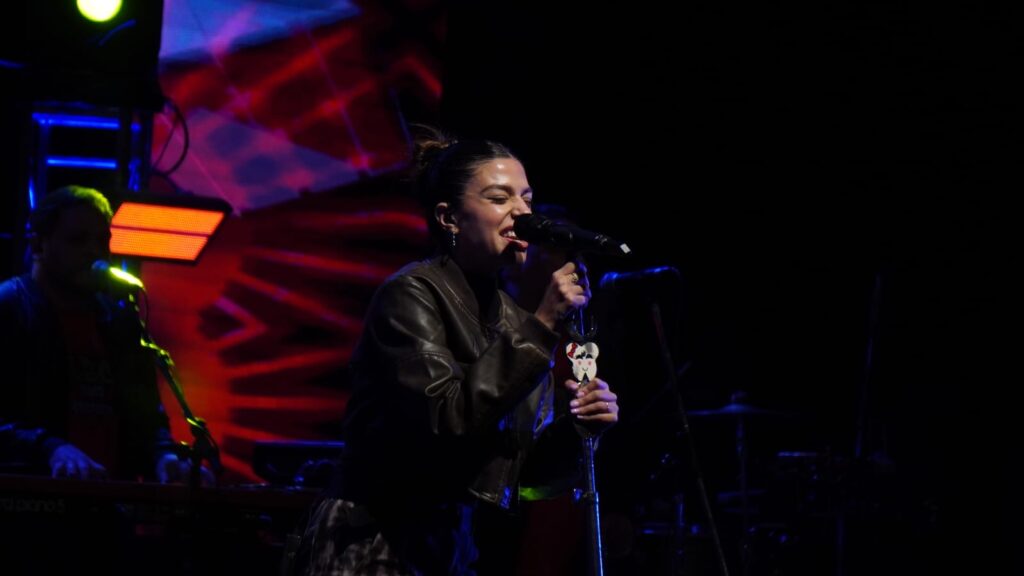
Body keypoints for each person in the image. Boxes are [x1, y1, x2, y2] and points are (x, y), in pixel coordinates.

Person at [294, 129, 619, 575]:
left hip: (449, 545)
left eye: (527, 199)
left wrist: (580, 429)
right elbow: (446, 418)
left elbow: (522, 475)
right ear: (449, 218)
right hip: (374, 537)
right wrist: (542, 326)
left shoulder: (513, 319)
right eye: (500, 198)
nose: (522, 213)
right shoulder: (411, 294)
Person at [0, 185, 189, 483]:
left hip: (111, 496)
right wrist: (50, 448)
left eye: (102, 240)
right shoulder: (9, 307)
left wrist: (163, 456)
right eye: (78, 240)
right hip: (33, 492)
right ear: (38, 246)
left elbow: (145, 415)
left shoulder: (119, 320)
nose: (94, 251)